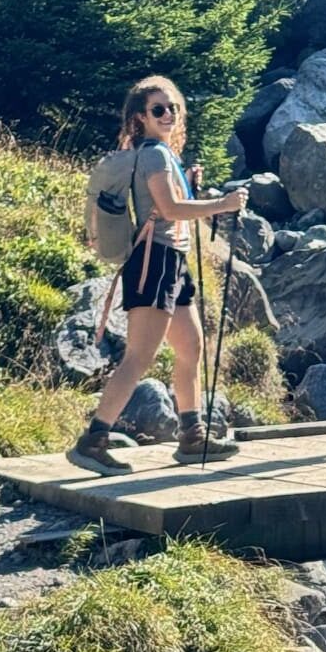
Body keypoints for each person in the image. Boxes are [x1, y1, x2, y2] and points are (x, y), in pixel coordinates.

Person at [69, 76, 247, 474]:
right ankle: (93, 441)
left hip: (171, 261)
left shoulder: (162, 155)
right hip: (154, 261)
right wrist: (224, 204)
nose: (169, 114)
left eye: (173, 108)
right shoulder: (153, 155)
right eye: (158, 109)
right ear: (141, 118)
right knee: (139, 357)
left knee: (191, 347)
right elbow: (169, 210)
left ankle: (192, 436)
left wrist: (192, 187)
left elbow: (170, 205)